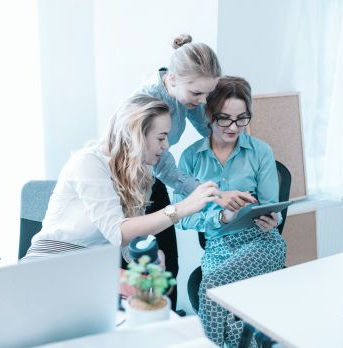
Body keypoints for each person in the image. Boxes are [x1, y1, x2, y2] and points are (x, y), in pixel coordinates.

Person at [22, 95, 222, 276]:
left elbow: (127, 242)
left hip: (90, 269)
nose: (166, 145)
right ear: (136, 136)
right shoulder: (88, 162)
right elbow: (118, 233)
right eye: (161, 137)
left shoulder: (140, 174)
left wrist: (147, 256)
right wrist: (181, 208)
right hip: (50, 264)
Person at [139, 34, 255, 308]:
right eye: (197, 94)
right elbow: (164, 165)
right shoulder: (148, 103)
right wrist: (215, 194)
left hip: (153, 179)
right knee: (144, 274)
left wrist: (234, 132)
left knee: (169, 265)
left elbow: (207, 126)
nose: (203, 101)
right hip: (131, 185)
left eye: (208, 93)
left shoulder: (186, 97)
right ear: (174, 78)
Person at [174, 76, 287, 347]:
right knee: (232, 316)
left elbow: (274, 208)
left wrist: (272, 220)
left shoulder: (261, 152)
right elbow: (182, 218)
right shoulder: (191, 158)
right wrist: (222, 216)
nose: (234, 127)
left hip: (262, 243)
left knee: (210, 287)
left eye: (241, 118)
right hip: (219, 246)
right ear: (209, 115)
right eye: (224, 118)